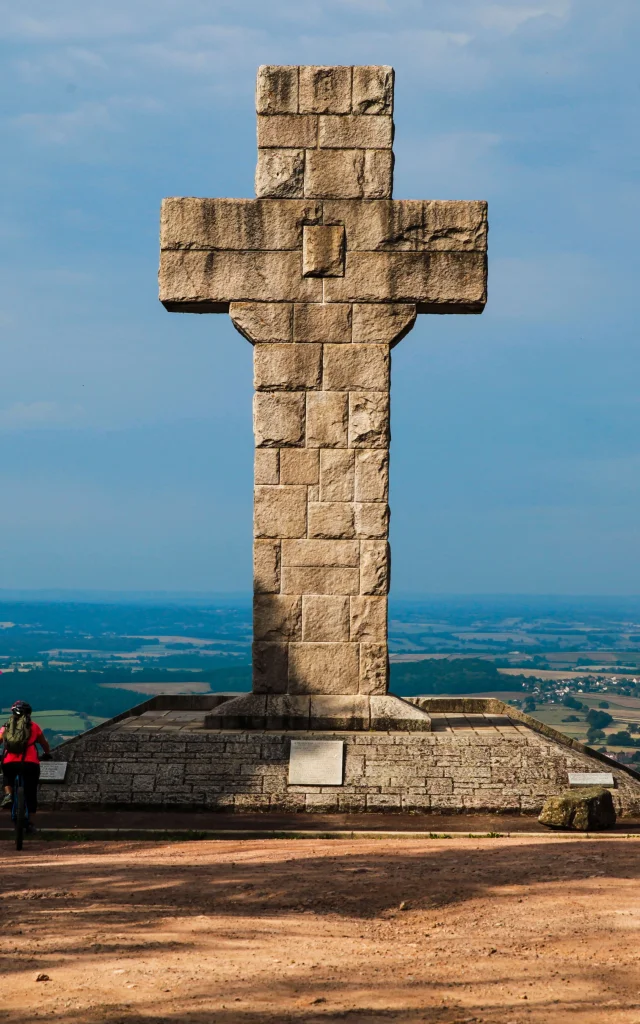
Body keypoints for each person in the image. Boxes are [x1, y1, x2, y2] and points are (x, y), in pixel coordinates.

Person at [1, 701, 51, 832]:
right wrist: (47, 753)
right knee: (31, 792)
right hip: (30, 763)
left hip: (9, 762)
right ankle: (30, 823)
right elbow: (44, 744)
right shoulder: (34, 726)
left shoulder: (6, 727)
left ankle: (8, 795)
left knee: (7, 776)